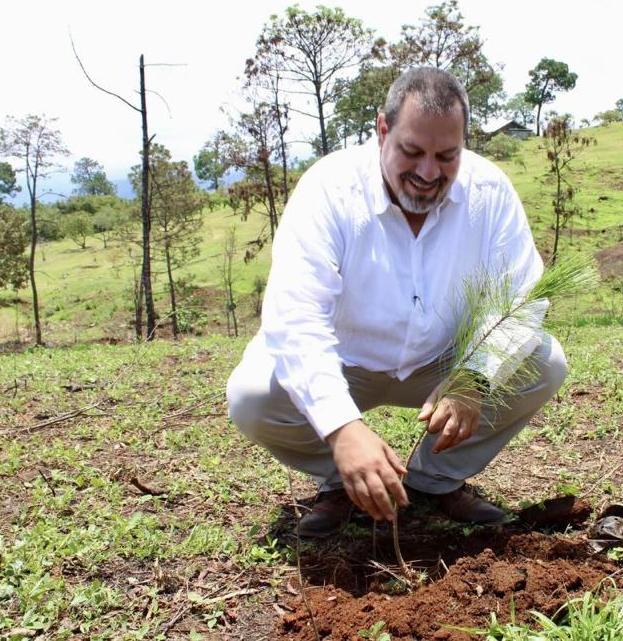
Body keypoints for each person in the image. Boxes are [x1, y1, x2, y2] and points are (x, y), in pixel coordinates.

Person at [226, 68, 567, 536]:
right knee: (253, 395)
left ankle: (434, 480)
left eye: (447, 156)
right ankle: (343, 478)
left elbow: (519, 294)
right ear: (382, 131)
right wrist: (341, 426)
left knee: (544, 363)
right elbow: (296, 315)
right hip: (345, 361)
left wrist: (474, 377)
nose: (429, 173)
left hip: (441, 366)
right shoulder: (329, 189)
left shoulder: (489, 193)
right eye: (412, 151)